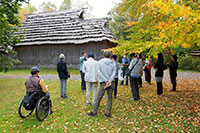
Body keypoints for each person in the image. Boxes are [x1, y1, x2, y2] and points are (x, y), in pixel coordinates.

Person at [87, 50, 116, 117]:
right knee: (110, 98)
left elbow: (99, 72)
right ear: (110, 56)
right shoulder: (113, 63)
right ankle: (108, 112)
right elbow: (114, 72)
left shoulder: (99, 62)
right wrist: (110, 80)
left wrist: (105, 80)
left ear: (103, 55)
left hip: (103, 82)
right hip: (111, 82)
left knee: (99, 97)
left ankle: (94, 111)